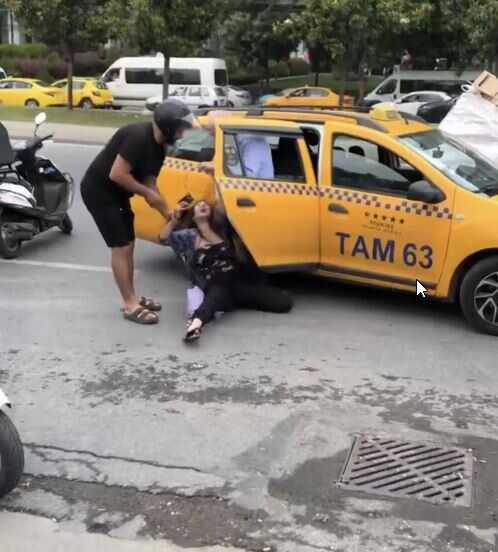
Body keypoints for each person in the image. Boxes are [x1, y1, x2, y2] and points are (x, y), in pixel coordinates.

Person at [81, 100, 195, 325]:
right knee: (120, 246)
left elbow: (150, 181)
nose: (183, 132)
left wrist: (167, 212)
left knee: (129, 244)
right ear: (169, 126)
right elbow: (117, 174)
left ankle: (132, 296)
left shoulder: (160, 147)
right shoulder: (137, 137)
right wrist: (147, 194)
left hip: (118, 194)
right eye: (181, 127)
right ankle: (129, 304)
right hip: (99, 192)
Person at [159, 199, 293, 343]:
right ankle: (197, 322)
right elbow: (163, 238)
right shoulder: (189, 236)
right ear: (193, 215)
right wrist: (175, 219)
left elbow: (227, 248)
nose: (203, 205)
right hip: (213, 282)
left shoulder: (222, 231)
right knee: (219, 288)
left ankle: (223, 303)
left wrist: (208, 225)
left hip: (235, 283)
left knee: (284, 302)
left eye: (205, 204)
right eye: (198, 205)